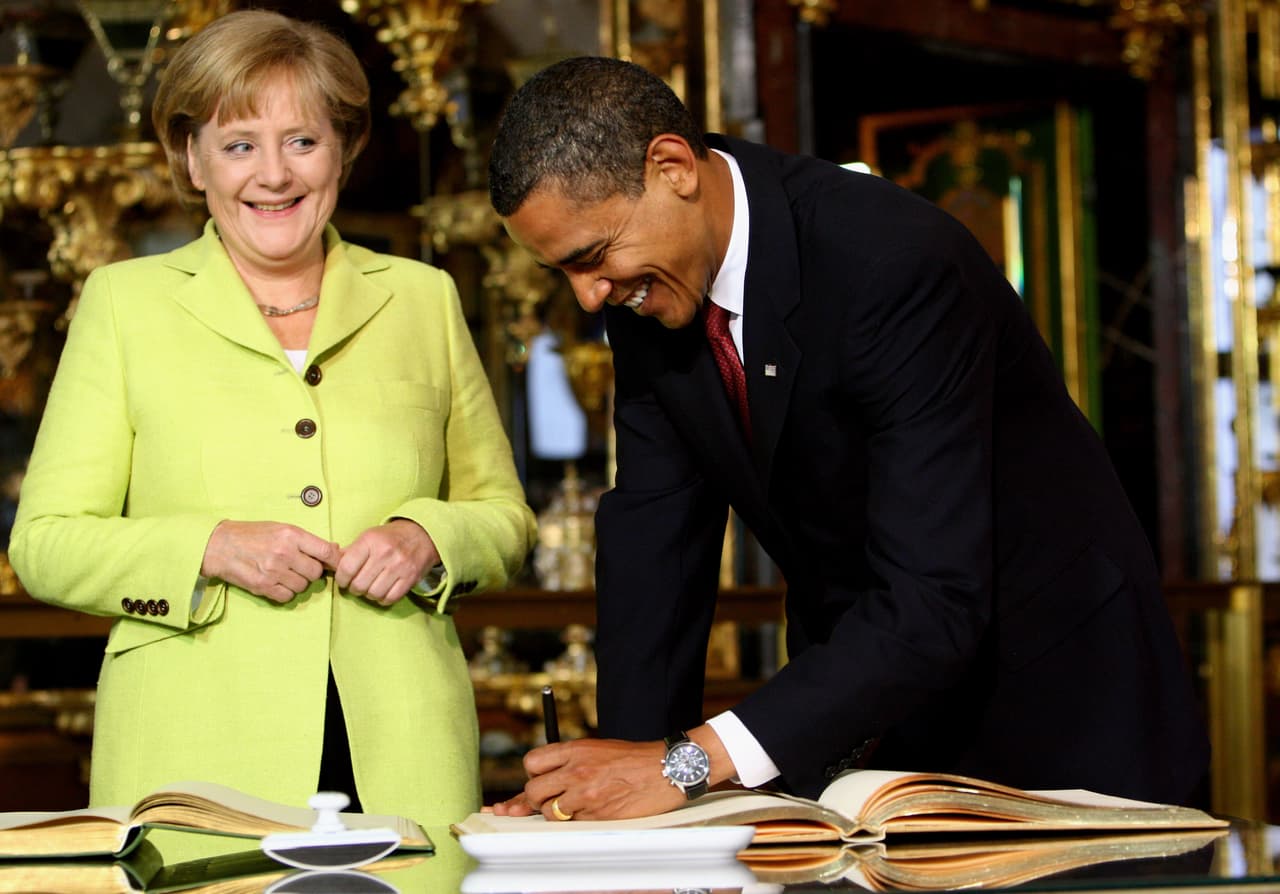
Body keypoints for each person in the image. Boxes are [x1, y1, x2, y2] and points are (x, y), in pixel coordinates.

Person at [486, 56, 1209, 821]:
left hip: (1056, 694)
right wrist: (610, 791)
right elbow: (653, 548)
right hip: (867, 708)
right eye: (561, 271)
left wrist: (684, 764)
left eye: (592, 256)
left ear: (672, 168)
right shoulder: (648, 287)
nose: (588, 296)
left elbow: (934, 597)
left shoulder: (891, 259)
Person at [9, 9, 535, 827]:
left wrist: (428, 536)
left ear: (343, 149)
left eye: (302, 140)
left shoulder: (423, 299)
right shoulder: (123, 305)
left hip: (403, 752)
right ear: (193, 159)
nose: (274, 175)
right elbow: (45, 543)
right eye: (239, 145)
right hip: (191, 757)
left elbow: (504, 517)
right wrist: (210, 548)